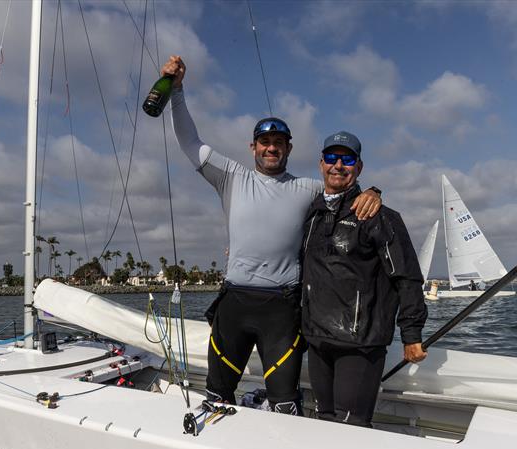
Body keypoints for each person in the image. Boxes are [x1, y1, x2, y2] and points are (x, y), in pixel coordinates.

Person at [162, 56, 382, 415]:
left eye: (279, 142)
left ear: (290, 149)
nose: (271, 147)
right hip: (234, 305)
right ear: (253, 147)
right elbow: (190, 142)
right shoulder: (231, 177)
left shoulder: (308, 188)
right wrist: (177, 90)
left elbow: (343, 185)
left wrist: (374, 190)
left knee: (285, 405)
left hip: (282, 309)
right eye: (264, 141)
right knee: (217, 398)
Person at [301, 131, 427, 427]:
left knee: (350, 426)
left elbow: (407, 276)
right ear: (321, 163)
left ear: (359, 167)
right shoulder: (313, 214)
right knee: (323, 420)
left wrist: (412, 334)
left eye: (347, 159)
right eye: (331, 157)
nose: (338, 165)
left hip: (359, 343)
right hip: (317, 340)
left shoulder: (379, 215)